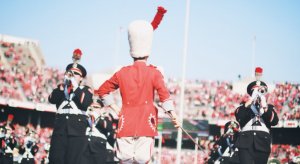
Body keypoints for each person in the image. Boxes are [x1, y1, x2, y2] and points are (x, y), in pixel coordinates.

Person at [94, 8, 180, 164]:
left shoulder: (122, 73)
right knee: (142, 160)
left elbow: (102, 91)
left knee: (123, 160)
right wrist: (173, 115)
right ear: (148, 51)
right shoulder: (154, 72)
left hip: (125, 122)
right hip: (146, 125)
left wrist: (114, 107)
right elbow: (164, 96)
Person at [48, 49, 93, 164]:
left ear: (81, 78)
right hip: (60, 131)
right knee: (55, 160)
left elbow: (85, 102)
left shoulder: (85, 90)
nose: (72, 75)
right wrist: (63, 85)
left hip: (77, 132)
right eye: (70, 73)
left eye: (76, 74)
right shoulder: (61, 89)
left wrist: (75, 85)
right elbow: (51, 99)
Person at [234, 67, 279, 164]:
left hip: (263, 142)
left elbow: (274, 121)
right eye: (255, 92)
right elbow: (239, 116)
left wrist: (264, 106)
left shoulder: (269, 107)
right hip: (245, 143)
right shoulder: (244, 107)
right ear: (251, 93)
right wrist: (250, 100)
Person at [79, 99, 115, 164]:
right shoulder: (85, 117)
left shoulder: (106, 117)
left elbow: (107, 127)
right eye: (91, 106)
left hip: (99, 146)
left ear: (101, 109)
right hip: (84, 145)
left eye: (96, 107)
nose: (93, 109)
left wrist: (96, 116)